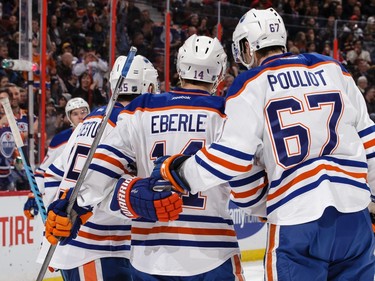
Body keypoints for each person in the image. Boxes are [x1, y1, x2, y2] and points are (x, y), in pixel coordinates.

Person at [150, 8, 375, 280]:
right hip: (355, 214)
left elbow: (231, 156)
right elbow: (369, 140)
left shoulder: (252, 82)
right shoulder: (334, 68)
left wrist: (180, 173)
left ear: (247, 46)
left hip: (297, 216)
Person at [45, 34, 246, 280]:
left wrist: (73, 206)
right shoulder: (227, 112)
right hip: (213, 252)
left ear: (179, 68)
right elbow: (247, 185)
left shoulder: (141, 110)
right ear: (219, 74)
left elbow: (101, 168)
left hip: (148, 256)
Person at [39, 55, 160, 281]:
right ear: (149, 85)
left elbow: (54, 173)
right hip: (98, 246)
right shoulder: (130, 122)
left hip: (80, 245)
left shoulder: (90, 120)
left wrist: (56, 219)